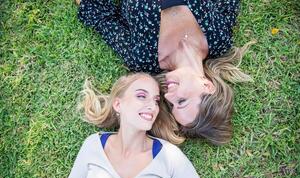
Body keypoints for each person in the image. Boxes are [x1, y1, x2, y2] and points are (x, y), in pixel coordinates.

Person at [76, 0, 253, 145]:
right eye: (181, 101)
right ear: (207, 86)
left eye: (172, 105)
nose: (168, 97)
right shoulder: (219, 37)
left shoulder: (144, 58)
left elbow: (97, 14)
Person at [61, 73, 210, 178]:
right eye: (141, 96)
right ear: (118, 105)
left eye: (156, 100)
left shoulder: (170, 157)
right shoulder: (93, 145)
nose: (152, 106)